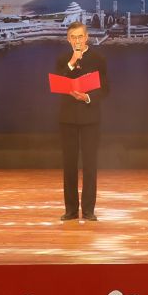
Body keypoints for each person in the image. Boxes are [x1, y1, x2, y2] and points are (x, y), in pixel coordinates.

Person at [54, 22, 107, 221]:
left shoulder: (98, 59)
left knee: (90, 164)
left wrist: (88, 97)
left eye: (80, 37)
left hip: (90, 117)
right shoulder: (62, 59)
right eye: (73, 37)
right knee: (69, 165)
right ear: (68, 40)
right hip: (67, 118)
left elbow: (105, 89)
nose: (77, 41)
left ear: (86, 37)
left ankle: (88, 210)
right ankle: (70, 210)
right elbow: (57, 82)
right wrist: (72, 62)